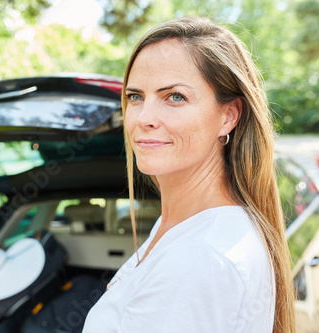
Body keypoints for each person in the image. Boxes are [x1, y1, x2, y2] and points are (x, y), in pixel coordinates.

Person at [82, 17, 295, 333]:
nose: (144, 118)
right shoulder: (184, 226)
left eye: (175, 97)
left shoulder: (200, 258)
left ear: (228, 116)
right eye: (135, 97)